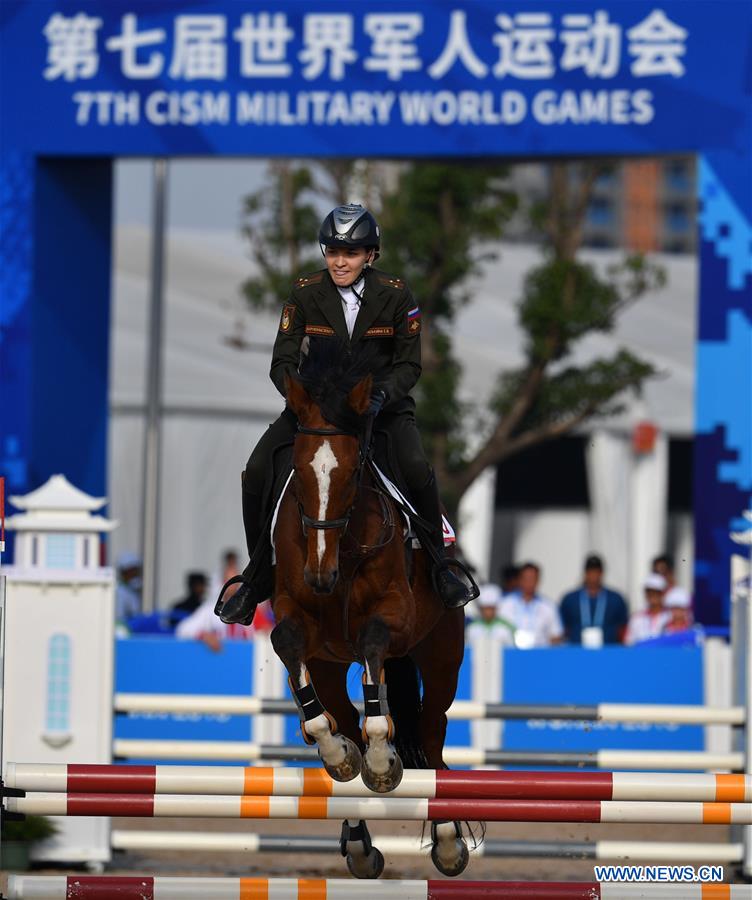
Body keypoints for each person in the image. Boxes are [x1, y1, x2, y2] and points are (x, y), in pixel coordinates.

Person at [218, 204, 475, 625]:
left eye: (351, 253)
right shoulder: (304, 293)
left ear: (370, 255)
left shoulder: (396, 295)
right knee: (257, 468)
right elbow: (281, 362)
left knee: (413, 464)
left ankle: (440, 566)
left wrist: (382, 394)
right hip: (316, 410)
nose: (340, 261)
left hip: (380, 407)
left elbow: (409, 365)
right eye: (333, 251)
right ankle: (258, 572)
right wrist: (300, 399)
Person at [559, 554, 628, 646]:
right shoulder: (570, 599)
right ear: (585, 573)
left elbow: (623, 629)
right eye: (590, 571)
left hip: (607, 651)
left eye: (597, 571)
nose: (593, 575)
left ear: (602, 573)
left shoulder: (615, 599)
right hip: (578, 651)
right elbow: (563, 628)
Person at [499, 562, 563, 648]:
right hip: (511, 653)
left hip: (538, 655)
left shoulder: (548, 606)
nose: (529, 582)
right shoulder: (504, 604)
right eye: (526, 579)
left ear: (538, 581)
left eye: (532, 579)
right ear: (519, 580)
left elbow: (556, 635)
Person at [625, 573, 670, 645]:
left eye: (656, 592)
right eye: (649, 592)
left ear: (663, 593)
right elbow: (629, 643)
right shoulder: (636, 618)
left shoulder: (671, 617)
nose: (652, 595)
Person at [115, 551, 142, 623]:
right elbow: (119, 618)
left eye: (136, 571)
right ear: (123, 573)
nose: (134, 574)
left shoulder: (135, 591)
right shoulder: (119, 592)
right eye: (130, 571)